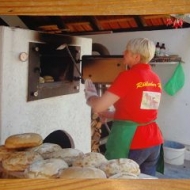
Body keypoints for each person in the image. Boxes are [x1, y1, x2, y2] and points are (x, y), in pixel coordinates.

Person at [84, 38, 164, 176]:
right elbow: (138, 113)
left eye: (127, 51)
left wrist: (90, 95)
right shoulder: (155, 78)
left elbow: (98, 106)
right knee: (145, 184)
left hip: (132, 142)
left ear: (136, 56)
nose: (123, 53)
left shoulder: (128, 76)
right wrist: (108, 114)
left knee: (119, 181)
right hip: (153, 142)